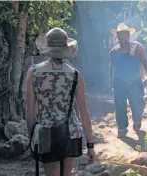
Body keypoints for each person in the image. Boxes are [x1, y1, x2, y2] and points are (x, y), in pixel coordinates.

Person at [26, 27, 95, 176]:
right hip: (71, 131)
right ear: (66, 48)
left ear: (47, 47)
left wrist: (32, 137)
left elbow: (30, 112)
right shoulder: (75, 75)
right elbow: (84, 113)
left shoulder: (33, 73)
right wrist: (90, 145)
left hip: (45, 132)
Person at [109, 23, 147, 138]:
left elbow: (145, 60)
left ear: (128, 35)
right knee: (120, 105)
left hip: (135, 82)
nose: (122, 37)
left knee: (137, 103)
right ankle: (122, 128)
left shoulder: (137, 47)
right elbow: (112, 67)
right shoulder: (114, 52)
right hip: (119, 83)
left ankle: (137, 121)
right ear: (117, 37)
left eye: (124, 34)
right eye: (120, 35)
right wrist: (112, 83)